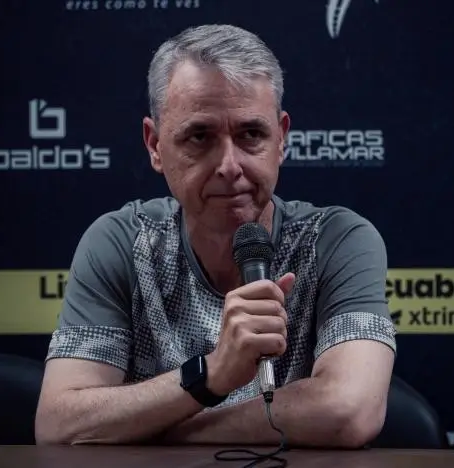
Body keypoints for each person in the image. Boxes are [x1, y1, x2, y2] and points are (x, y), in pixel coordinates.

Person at [34, 24, 396, 448]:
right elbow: (60, 425)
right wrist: (211, 374)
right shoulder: (122, 242)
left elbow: (348, 410)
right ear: (154, 145)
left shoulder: (335, 241)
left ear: (281, 139)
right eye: (200, 137)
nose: (229, 165)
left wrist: (161, 430)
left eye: (251, 135)